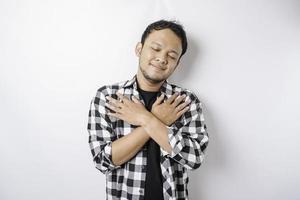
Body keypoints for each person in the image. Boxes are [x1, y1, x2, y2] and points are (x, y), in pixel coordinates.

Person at [87, 19, 209, 200]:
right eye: (156, 48)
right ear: (139, 49)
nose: (162, 58)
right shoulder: (108, 97)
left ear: (178, 64)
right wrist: (156, 120)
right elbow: (103, 161)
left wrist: (146, 119)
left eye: (172, 55)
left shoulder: (185, 101)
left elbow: (194, 158)